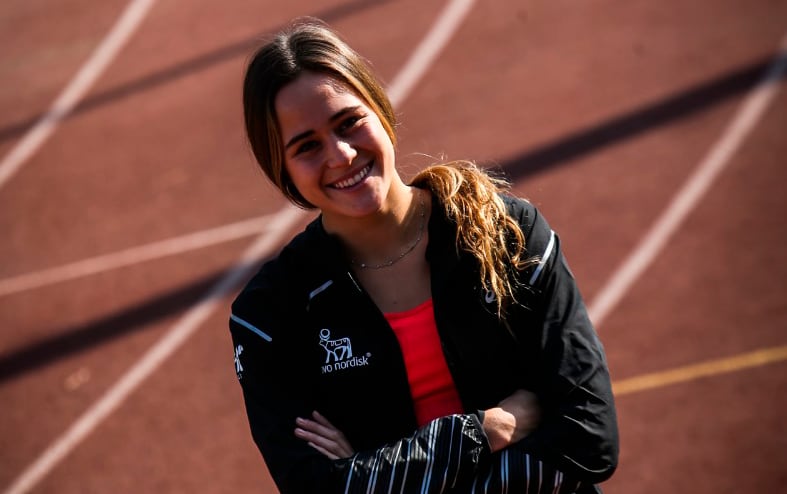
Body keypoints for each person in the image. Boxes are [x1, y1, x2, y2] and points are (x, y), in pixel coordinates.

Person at [230, 17, 618, 494]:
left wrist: (371, 471)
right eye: (307, 147)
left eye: (349, 122)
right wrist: (480, 432)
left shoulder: (506, 233)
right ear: (282, 170)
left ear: (381, 108)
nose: (342, 155)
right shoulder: (270, 314)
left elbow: (590, 437)